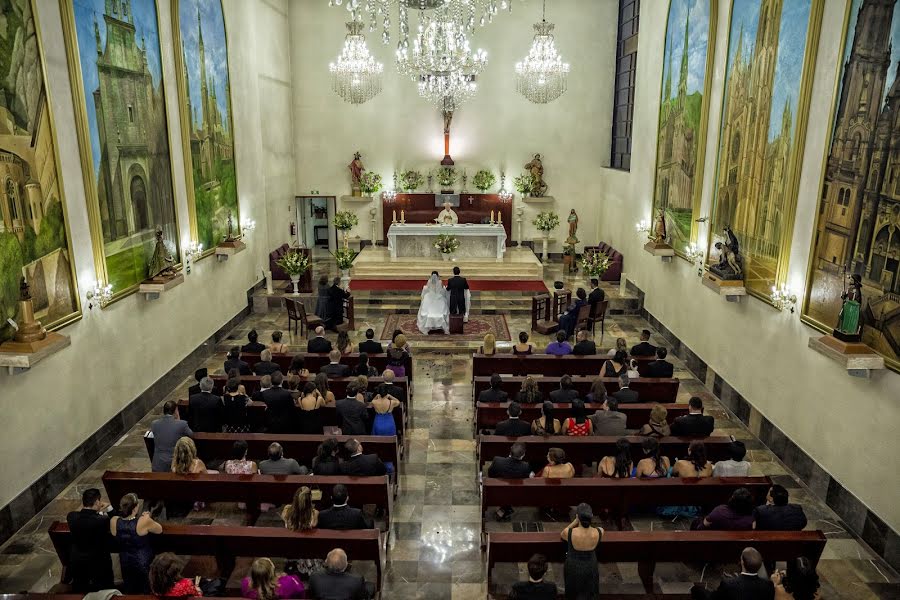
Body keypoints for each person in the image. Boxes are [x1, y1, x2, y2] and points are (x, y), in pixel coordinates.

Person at [110, 493, 162, 593]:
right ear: (135, 508)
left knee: (130, 584)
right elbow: (159, 530)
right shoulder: (143, 521)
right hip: (142, 560)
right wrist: (148, 518)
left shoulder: (113, 521)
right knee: (146, 585)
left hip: (125, 559)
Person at [66, 488, 114, 592]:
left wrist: (98, 513)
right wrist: (108, 509)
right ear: (97, 502)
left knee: (81, 589)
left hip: (78, 562)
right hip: (99, 563)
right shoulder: (102, 520)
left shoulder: (71, 517)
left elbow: (85, 518)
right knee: (105, 589)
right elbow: (114, 522)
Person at [692, 547, 774, 600]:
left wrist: (697, 589)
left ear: (742, 562)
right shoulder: (768, 585)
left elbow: (713, 598)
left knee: (697, 590)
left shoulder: (728, 585)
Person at [560, 503, 602, 600]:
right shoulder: (600, 531)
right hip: (591, 566)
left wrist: (575, 521)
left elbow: (562, 533)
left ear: (578, 516)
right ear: (591, 516)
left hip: (573, 566)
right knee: (590, 592)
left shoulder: (569, 533)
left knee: (572, 592)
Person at [488, 443, 532, 521]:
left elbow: (490, 474)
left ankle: (504, 509)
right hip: (515, 493)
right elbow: (524, 479)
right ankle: (505, 509)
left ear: (510, 451)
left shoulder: (497, 460)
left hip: (496, 491)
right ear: (523, 455)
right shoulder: (525, 466)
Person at [150, 401, 192, 472]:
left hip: (158, 464)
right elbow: (191, 435)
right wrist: (178, 420)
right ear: (176, 411)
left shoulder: (154, 424)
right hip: (175, 464)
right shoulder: (182, 424)